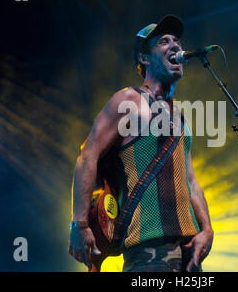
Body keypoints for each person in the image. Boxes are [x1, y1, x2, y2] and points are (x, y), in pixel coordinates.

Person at [68, 15, 213, 272]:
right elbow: (86, 157)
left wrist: (207, 229)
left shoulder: (179, 115)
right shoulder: (127, 100)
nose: (176, 46)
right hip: (148, 257)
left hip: (188, 258)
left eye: (177, 41)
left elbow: (191, 180)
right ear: (144, 59)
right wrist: (80, 225)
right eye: (164, 41)